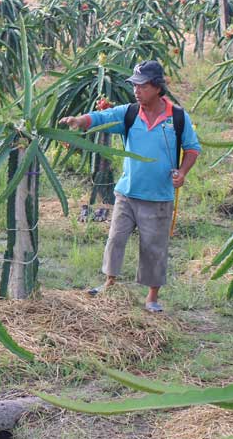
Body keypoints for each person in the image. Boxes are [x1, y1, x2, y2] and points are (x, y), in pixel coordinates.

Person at [59, 60, 200, 312]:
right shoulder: (129, 113)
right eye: (134, 86)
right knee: (115, 239)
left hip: (159, 196)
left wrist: (183, 172)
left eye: (142, 86)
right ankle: (109, 282)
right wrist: (81, 120)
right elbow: (103, 116)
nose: (136, 91)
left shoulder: (177, 117)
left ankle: (152, 297)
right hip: (127, 193)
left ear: (157, 87)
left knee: (154, 247)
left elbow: (192, 148)